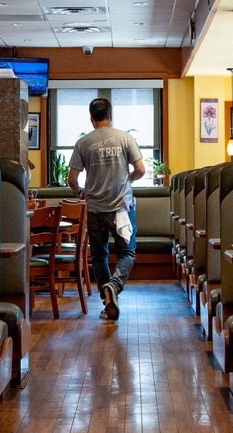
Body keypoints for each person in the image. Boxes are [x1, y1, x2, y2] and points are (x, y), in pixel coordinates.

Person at [68, 98, 146, 321]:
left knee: (99, 256)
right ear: (110, 117)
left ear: (91, 119)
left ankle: (108, 301)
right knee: (128, 252)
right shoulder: (125, 138)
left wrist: (80, 193)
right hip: (122, 209)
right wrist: (128, 179)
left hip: (95, 210)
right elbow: (140, 169)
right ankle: (114, 285)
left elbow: (72, 179)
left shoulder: (83, 143)